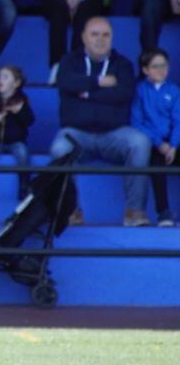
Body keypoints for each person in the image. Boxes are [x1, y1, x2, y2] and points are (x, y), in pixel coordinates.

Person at [50, 17, 151, 226]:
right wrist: (99, 83)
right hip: (78, 134)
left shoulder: (122, 64)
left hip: (113, 134)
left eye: (106, 35)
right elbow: (66, 83)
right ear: (84, 37)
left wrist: (86, 93)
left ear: (112, 38)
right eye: (94, 34)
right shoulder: (70, 61)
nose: (100, 39)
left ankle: (134, 211)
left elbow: (124, 93)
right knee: (60, 147)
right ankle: (71, 211)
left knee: (140, 141)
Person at [131, 48, 180, 227]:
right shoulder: (140, 91)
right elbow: (137, 122)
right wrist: (160, 144)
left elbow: (178, 119)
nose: (161, 70)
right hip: (154, 144)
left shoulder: (174, 90)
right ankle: (164, 213)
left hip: (174, 143)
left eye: (164, 65)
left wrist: (173, 145)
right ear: (145, 70)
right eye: (156, 66)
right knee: (156, 166)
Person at [0, 65, 34, 200]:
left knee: (23, 153)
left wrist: (19, 112)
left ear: (16, 83)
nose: (0, 80)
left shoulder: (22, 99)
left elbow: (29, 120)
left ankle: (24, 186)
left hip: (16, 140)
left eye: (5, 77)